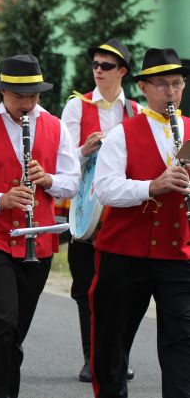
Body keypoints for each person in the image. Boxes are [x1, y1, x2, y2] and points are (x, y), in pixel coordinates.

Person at [0, 54, 80, 398]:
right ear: (3, 91)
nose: (28, 103)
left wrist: (48, 179)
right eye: (20, 95)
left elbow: (72, 182)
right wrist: (0, 200)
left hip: (38, 237)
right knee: (2, 317)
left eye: (34, 95)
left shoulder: (54, 125)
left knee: (13, 329)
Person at [91, 48, 190, 398]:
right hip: (124, 254)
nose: (171, 92)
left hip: (178, 255)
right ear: (144, 88)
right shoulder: (123, 133)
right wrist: (152, 186)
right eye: (162, 84)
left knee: (182, 344)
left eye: (177, 83)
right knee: (112, 344)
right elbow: (105, 188)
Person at [60, 38, 139, 383]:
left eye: (106, 66)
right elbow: (62, 160)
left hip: (122, 208)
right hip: (86, 208)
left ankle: (117, 358)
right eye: (95, 64)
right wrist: (84, 150)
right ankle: (92, 357)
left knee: (124, 286)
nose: (98, 71)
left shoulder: (134, 110)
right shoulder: (77, 107)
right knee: (86, 286)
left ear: (122, 71)